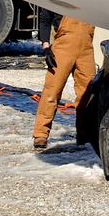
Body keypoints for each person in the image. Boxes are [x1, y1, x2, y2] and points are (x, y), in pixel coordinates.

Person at [32, 11, 95, 151]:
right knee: (52, 92)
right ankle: (40, 134)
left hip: (86, 50)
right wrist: (46, 47)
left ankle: (85, 135)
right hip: (62, 49)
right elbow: (45, 18)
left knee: (89, 94)